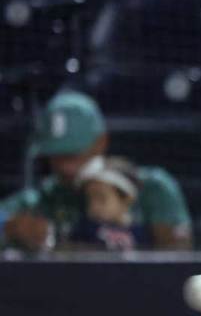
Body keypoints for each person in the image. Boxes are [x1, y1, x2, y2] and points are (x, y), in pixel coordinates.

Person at [0, 91, 191, 252]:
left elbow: (178, 260)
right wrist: (8, 229)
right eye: (56, 156)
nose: (66, 167)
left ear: (101, 142)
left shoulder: (151, 189)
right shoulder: (43, 200)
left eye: (74, 155)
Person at [67, 156, 151, 251]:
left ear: (127, 199)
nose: (94, 206)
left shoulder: (139, 232)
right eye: (89, 199)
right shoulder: (84, 229)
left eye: (101, 198)